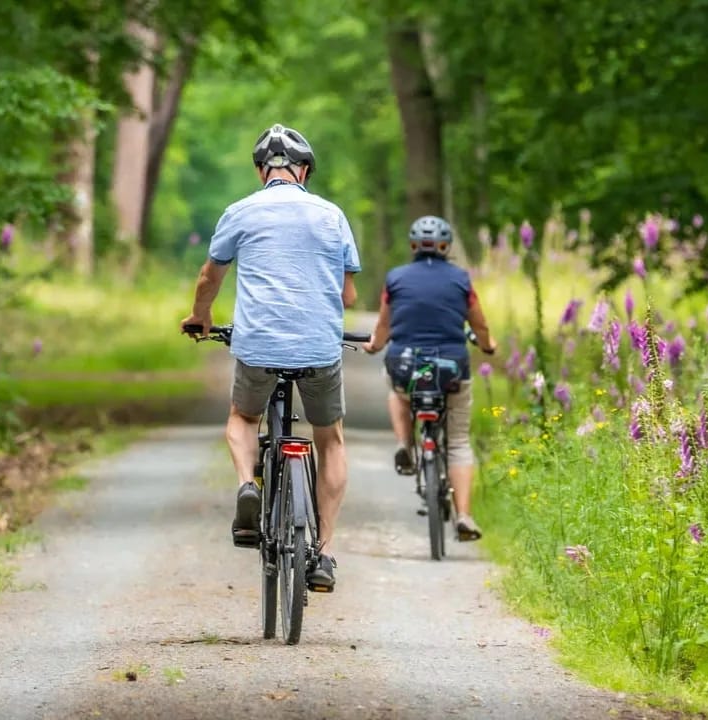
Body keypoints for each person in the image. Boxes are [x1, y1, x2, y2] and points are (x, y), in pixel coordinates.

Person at [180, 123, 361, 590]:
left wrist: (201, 317)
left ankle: (247, 484)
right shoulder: (331, 215)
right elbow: (349, 292)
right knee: (331, 439)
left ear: (263, 171)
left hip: (258, 344)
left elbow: (209, 277)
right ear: (304, 171)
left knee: (243, 417)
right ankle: (324, 554)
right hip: (320, 346)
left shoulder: (240, 211)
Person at [362, 215, 496, 541]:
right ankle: (464, 515)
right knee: (460, 441)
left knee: (395, 388)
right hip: (451, 368)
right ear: (446, 246)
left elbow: (383, 326)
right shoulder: (462, 279)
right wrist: (489, 345)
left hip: (406, 366)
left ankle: (405, 443)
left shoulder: (395, 278)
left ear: (412, 246)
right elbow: (479, 325)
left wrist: (375, 345)